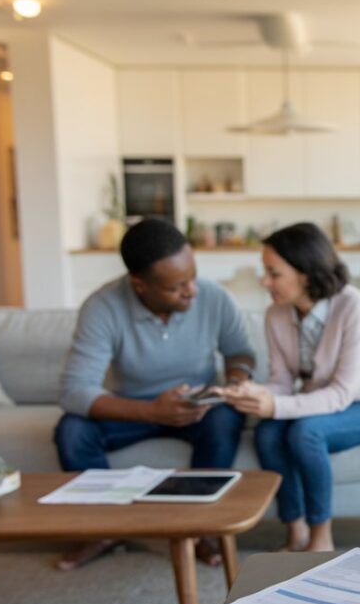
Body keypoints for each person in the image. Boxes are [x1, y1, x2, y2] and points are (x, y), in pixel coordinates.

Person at [54, 218, 256, 569]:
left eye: (192, 277)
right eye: (177, 287)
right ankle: (105, 530)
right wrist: (151, 412)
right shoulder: (103, 307)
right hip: (136, 407)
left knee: (226, 417)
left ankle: (200, 530)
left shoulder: (213, 297)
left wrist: (235, 381)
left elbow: (241, 352)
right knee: (72, 429)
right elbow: (74, 390)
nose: (191, 290)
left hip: (197, 407)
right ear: (140, 285)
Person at [216, 223, 360, 552]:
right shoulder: (276, 314)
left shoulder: (354, 306)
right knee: (267, 432)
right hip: (317, 403)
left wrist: (276, 405)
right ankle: (295, 531)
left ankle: (320, 537)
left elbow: (341, 393)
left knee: (305, 432)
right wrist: (257, 394)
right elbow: (282, 382)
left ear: (306, 273)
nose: (265, 282)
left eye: (274, 273)